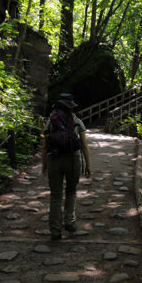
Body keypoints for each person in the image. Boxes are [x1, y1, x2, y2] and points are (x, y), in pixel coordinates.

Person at [41, 93, 91, 240]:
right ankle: (70, 222)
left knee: (55, 195)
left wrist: (44, 164)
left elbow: (45, 146)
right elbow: (84, 145)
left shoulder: (51, 121)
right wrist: (88, 164)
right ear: (70, 107)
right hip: (72, 159)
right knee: (71, 191)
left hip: (54, 160)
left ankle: (55, 231)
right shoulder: (77, 121)